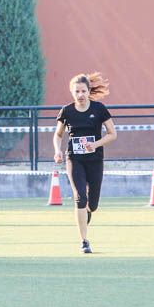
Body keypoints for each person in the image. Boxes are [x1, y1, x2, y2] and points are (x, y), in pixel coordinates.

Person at [52, 73, 118, 254]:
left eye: (83, 91)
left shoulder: (99, 109)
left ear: (89, 91)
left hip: (95, 160)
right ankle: (84, 241)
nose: (80, 95)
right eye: (77, 91)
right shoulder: (67, 111)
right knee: (80, 197)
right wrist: (57, 150)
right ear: (72, 92)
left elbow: (113, 134)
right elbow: (58, 135)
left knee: (92, 204)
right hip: (75, 160)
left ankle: (87, 211)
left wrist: (95, 144)